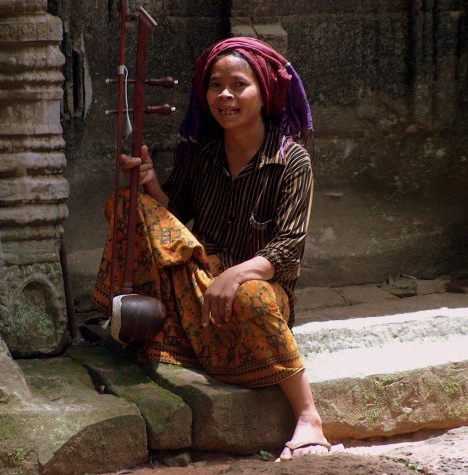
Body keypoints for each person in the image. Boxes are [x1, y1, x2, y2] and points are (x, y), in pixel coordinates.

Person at [93, 36, 331, 461]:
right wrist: (148, 183)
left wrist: (236, 275)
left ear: (265, 93)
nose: (225, 95)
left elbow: (289, 247)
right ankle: (139, 321)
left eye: (238, 85)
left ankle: (308, 417)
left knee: (252, 295)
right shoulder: (201, 154)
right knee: (128, 204)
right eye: (215, 85)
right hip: (204, 280)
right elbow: (175, 218)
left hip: (259, 290)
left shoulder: (292, 160)